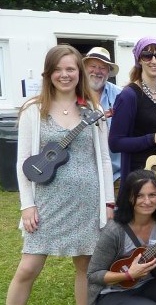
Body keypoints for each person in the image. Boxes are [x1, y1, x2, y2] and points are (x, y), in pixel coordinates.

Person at [7, 44, 114, 305]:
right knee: (28, 267)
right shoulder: (34, 109)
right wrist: (27, 205)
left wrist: (109, 202)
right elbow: (23, 161)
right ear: (48, 74)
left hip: (88, 201)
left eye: (70, 69)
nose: (64, 75)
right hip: (47, 202)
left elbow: (103, 157)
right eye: (57, 70)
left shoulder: (93, 110)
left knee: (85, 268)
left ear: (79, 72)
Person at [86, 170, 156, 305]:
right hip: (112, 293)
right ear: (129, 197)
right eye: (139, 196)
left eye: (152, 195)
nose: (147, 201)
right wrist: (128, 275)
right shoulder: (114, 230)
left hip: (146, 285)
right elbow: (93, 274)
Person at [109, 37, 156, 221]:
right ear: (139, 60)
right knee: (145, 236)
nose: (153, 61)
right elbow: (115, 142)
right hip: (144, 180)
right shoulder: (128, 96)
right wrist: (153, 138)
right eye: (147, 55)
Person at [83, 47, 123, 187]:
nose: (97, 71)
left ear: (108, 72)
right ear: (84, 69)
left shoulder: (120, 95)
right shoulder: (72, 95)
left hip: (116, 175)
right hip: (83, 176)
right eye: (93, 66)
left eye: (103, 68)